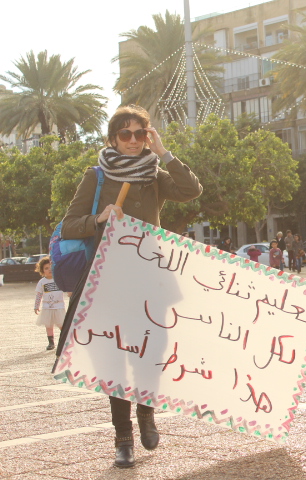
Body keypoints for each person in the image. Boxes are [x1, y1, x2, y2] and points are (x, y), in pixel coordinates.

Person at [59, 104, 202, 468]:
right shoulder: (97, 176)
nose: (134, 140)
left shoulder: (155, 173)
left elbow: (191, 190)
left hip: (151, 275)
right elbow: (70, 225)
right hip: (109, 276)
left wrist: (164, 153)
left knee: (153, 349)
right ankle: (123, 437)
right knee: (114, 359)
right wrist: (98, 218)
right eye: (127, 134)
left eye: (141, 133)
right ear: (113, 139)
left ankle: (146, 414)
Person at [34, 256, 65, 351]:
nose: (49, 269)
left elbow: (67, 288)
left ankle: (65, 340)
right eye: (46, 268)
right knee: (49, 325)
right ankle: (51, 342)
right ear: (42, 271)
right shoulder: (42, 282)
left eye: (51, 267)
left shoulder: (59, 279)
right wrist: (36, 306)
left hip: (59, 306)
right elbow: (39, 294)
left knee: (61, 324)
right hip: (47, 307)